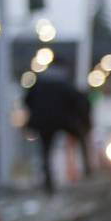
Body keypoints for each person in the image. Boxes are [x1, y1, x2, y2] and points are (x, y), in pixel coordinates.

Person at [24, 61, 92, 194]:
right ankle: (87, 169)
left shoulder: (39, 85)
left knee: (45, 152)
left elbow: (27, 100)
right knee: (82, 138)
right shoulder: (64, 84)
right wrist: (82, 120)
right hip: (64, 120)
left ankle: (48, 183)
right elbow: (80, 101)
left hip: (44, 122)